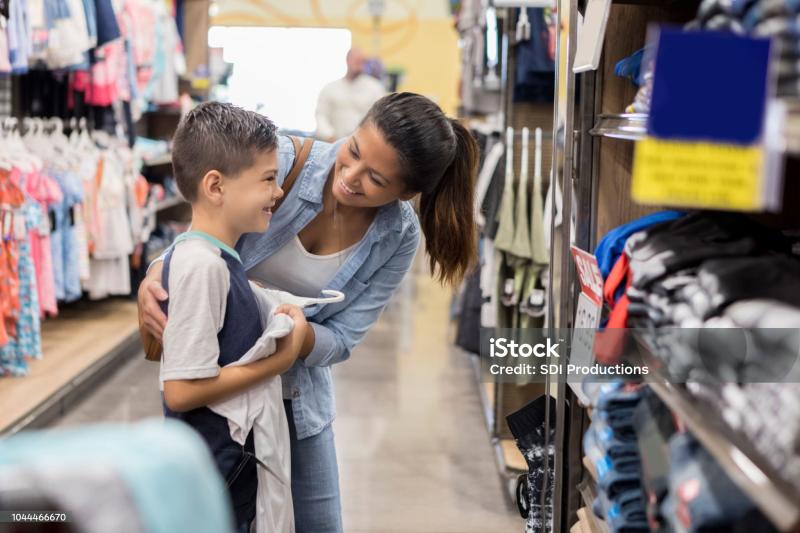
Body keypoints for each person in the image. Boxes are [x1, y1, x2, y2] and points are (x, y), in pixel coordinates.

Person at [139, 92, 479, 532]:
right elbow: (200, 235)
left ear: (407, 192)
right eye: (352, 150)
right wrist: (155, 274)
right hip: (217, 391)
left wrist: (295, 339)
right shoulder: (278, 160)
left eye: (375, 178)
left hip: (297, 397)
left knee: (317, 522)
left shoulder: (397, 236)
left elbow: (343, 338)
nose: (350, 177)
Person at [157, 102, 308, 531]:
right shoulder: (201, 265)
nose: (278, 192)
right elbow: (181, 391)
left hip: (226, 466)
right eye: (267, 179)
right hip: (214, 472)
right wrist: (278, 361)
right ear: (216, 187)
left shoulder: (219, 260)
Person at [314, 47, 386, 142]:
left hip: (364, 145)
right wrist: (329, 135)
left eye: (362, 61)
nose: (359, 64)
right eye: (356, 60)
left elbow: (381, 117)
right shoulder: (330, 89)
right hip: (333, 143)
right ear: (347, 60)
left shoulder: (375, 88)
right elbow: (321, 115)